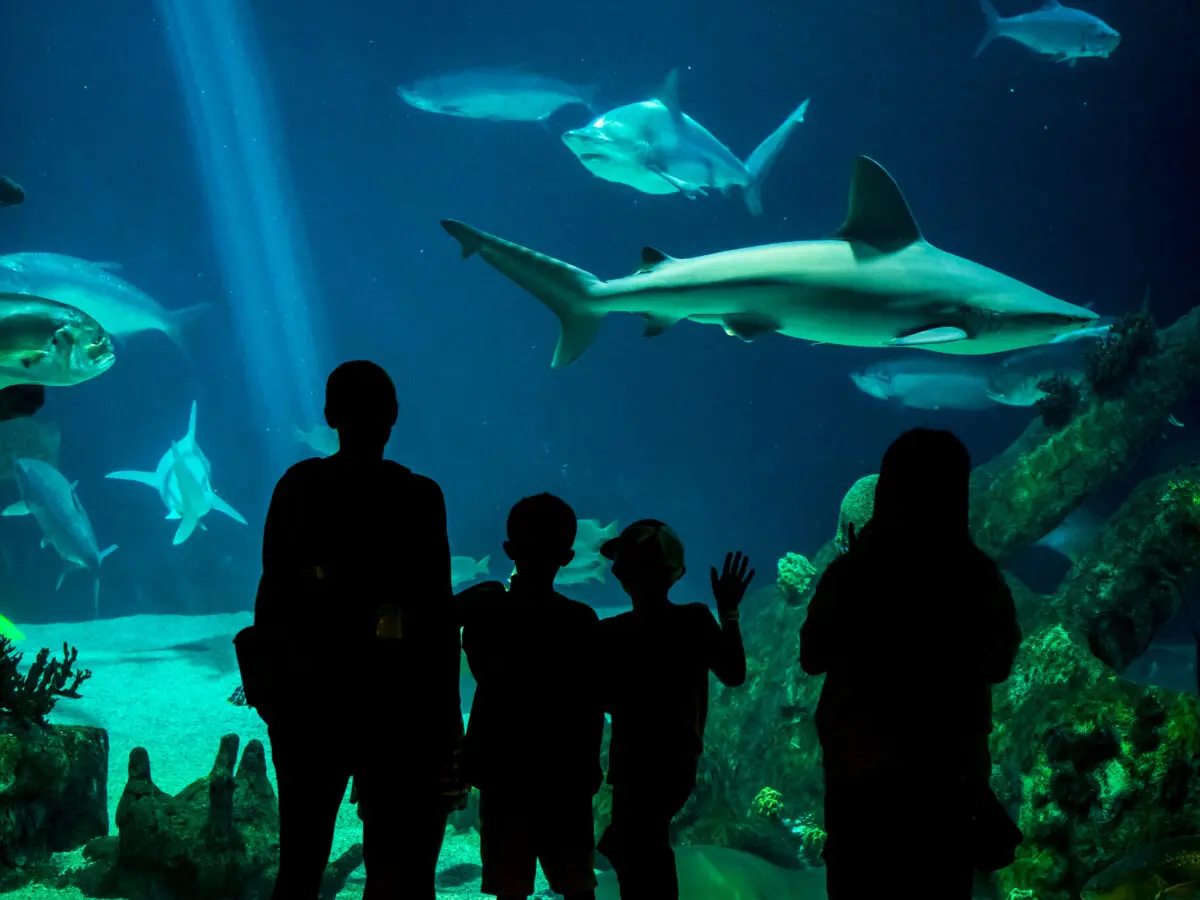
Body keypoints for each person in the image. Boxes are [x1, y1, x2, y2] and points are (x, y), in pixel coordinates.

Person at [242, 360, 462, 900]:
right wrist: (448, 728)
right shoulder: (419, 497)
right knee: (395, 868)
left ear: (328, 416)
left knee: (300, 861)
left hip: (308, 705)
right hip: (397, 706)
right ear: (394, 417)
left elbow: (271, 602)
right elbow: (434, 622)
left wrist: (277, 696)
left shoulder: (297, 488)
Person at [799, 427, 1023, 900]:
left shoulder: (853, 572)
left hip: (860, 783)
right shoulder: (976, 575)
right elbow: (1000, 664)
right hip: (947, 784)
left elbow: (812, 654)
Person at [594, 521, 752, 900]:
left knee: (638, 856)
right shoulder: (695, 620)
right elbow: (733, 674)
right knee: (642, 848)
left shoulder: (611, 633)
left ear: (622, 575)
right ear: (674, 572)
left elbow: (601, 697)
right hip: (676, 767)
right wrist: (729, 612)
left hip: (633, 767)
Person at [458, 493, 604, 900]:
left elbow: (479, 670)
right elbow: (592, 705)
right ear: (568, 556)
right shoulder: (581, 621)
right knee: (577, 885)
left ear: (508, 550)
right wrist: (590, 765)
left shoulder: (486, 614)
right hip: (566, 776)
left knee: (510, 888)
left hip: (504, 775)